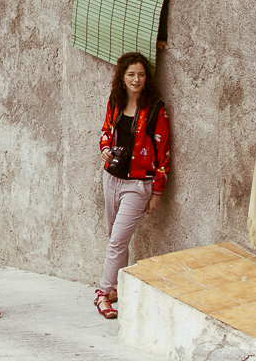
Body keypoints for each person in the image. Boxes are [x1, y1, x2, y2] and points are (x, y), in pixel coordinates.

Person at [95, 52, 171, 319]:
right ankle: (117, 285)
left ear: (146, 78)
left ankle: (102, 293)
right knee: (117, 239)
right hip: (111, 178)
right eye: (131, 74)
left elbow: (163, 152)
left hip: (139, 185)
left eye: (140, 74)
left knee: (117, 240)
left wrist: (157, 192)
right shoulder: (115, 103)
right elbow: (106, 131)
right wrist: (105, 149)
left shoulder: (155, 109)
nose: (136, 79)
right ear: (122, 78)